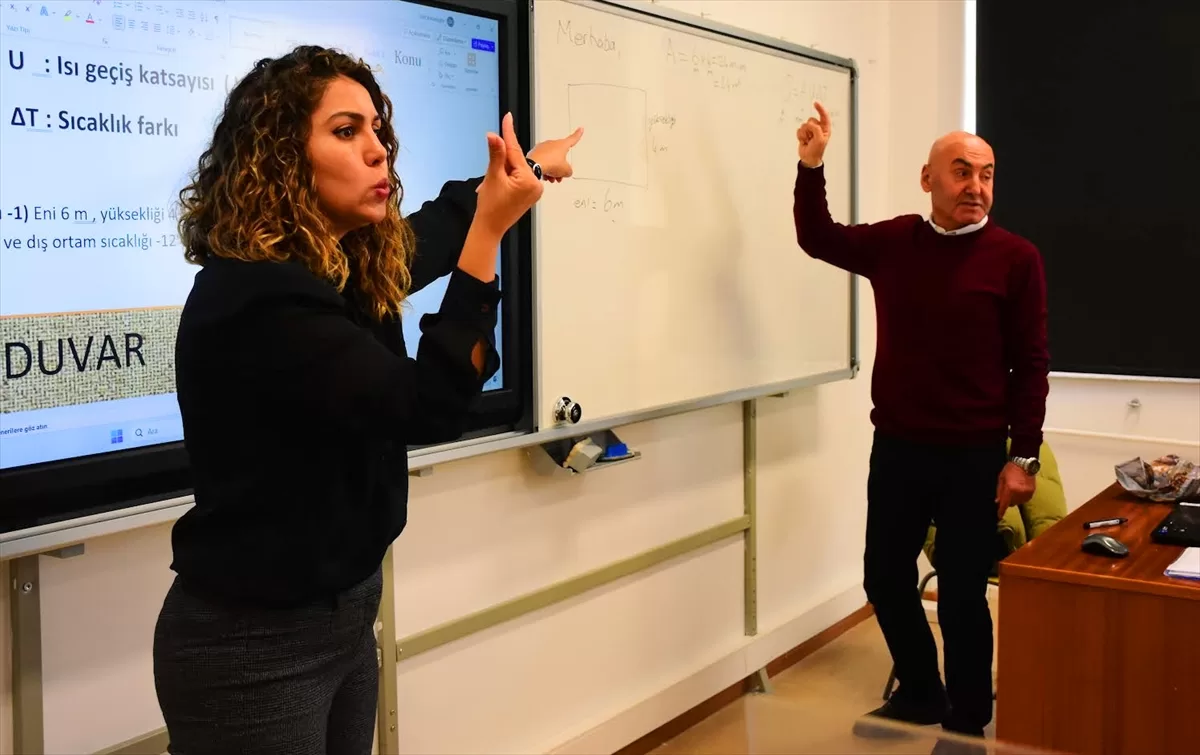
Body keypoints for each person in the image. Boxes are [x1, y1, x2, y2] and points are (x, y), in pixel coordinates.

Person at [152, 46, 583, 754]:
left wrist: (525, 167)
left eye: (376, 129)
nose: (379, 149)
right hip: (254, 645)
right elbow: (429, 405)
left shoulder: (339, 264)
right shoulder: (259, 297)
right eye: (346, 131)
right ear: (281, 158)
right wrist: (490, 232)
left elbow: (436, 228)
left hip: (345, 616)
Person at [793, 102, 1049, 738]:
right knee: (883, 577)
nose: (976, 186)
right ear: (928, 179)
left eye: (986, 174)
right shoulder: (894, 243)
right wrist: (811, 167)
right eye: (961, 172)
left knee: (961, 593)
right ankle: (920, 692)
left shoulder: (1016, 258)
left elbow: (1031, 364)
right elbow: (818, 237)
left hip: (974, 454)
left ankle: (967, 719)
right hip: (900, 446)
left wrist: (1023, 457)